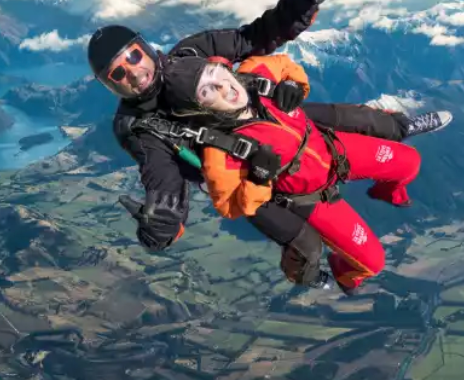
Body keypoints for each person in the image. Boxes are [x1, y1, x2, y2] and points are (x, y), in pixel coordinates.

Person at [87, 0, 450, 262]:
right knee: (303, 245)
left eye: (133, 56)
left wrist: (303, 0)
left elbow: (254, 38)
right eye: (118, 73)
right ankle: (315, 273)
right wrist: (163, 223)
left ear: (145, 48)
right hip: (246, 172)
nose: (133, 71)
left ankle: (402, 127)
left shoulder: (190, 51)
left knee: (356, 118)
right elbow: (161, 174)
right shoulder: (140, 126)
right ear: (110, 85)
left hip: (268, 118)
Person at [161, 53, 426, 292]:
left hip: (333, 151)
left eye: (213, 73)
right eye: (205, 91)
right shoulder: (219, 151)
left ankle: (389, 192)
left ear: (222, 67)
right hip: (309, 199)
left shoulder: (256, 77)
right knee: (372, 263)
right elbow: (230, 206)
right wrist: (258, 179)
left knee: (410, 162)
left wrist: (293, 84)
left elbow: (284, 64)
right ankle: (344, 276)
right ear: (198, 109)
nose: (220, 86)